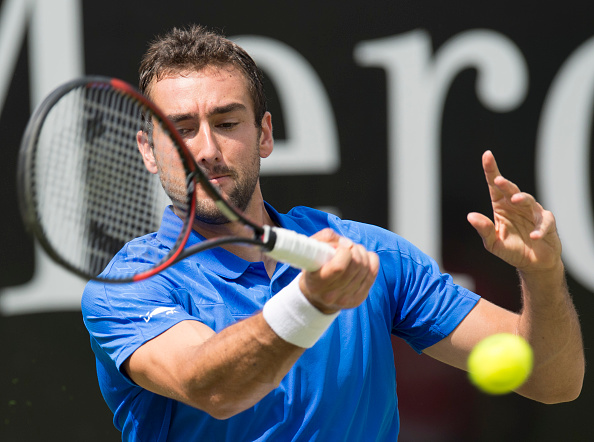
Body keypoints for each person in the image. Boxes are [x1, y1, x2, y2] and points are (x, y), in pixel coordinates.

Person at [81, 24, 584, 441]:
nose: (207, 148)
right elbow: (213, 388)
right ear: (149, 150)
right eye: (182, 129)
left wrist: (542, 275)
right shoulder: (128, 287)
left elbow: (553, 381)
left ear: (264, 135)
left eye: (227, 122)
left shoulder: (374, 254)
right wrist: (312, 303)